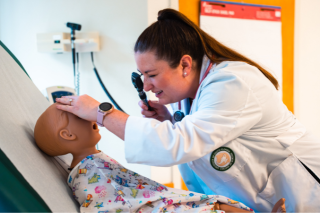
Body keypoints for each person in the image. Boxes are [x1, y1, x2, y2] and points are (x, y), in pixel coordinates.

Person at [55, 9, 320, 212]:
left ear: (184, 64)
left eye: (151, 74)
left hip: (305, 192)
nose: (146, 86)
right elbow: (196, 143)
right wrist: (170, 121)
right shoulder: (191, 97)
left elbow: (179, 144)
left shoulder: (233, 82)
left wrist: (102, 113)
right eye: (141, 76)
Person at [34, 103, 282, 213]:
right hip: (152, 206)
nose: (90, 117)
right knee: (213, 208)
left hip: (156, 198)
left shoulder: (90, 162)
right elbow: (106, 206)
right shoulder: (88, 173)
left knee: (218, 204)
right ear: (67, 134)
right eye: (79, 116)